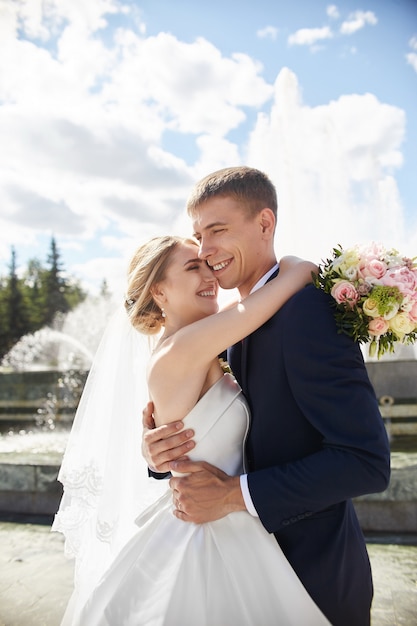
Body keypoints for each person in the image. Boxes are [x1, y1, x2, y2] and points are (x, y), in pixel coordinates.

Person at [142, 167, 391, 626]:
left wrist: (234, 495)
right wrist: (163, 455)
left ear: (264, 224)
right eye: (198, 236)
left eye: (218, 230)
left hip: (311, 577)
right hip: (230, 575)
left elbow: (367, 460)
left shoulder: (307, 312)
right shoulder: (230, 327)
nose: (206, 250)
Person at [54, 234, 331, 625]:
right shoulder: (181, 350)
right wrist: (294, 267)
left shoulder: (190, 344)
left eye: (207, 265)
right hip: (210, 532)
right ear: (159, 292)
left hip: (225, 515)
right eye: (192, 268)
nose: (210, 277)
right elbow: (278, 291)